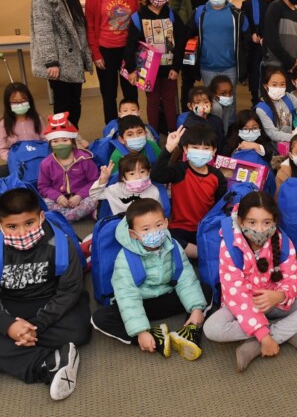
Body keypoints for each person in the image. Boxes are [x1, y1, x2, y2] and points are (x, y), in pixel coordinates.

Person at [0, 188, 91, 400]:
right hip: (12, 307)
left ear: (41, 217)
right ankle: (48, 364)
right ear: (0, 226)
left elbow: (70, 290)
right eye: (12, 226)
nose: (22, 232)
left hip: (54, 305)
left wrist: (38, 324)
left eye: (29, 223)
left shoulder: (61, 244)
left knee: (80, 331)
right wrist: (9, 326)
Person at [203, 191, 297, 371]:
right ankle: (281, 332)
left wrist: (279, 295)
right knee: (212, 328)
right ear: (240, 222)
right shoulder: (230, 246)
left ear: (275, 222)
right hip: (244, 305)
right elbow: (237, 295)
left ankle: (262, 341)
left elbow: (294, 276)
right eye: (252, 222)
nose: (260, 229)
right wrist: (263, 335)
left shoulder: (282, 241)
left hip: (275, 301)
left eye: (267, 222)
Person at [90, 198, 206, 359]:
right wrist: (140, 331)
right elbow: (127, 296)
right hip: (141, 302)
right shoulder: (125, 258)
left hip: (167, 294)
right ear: (133, 234)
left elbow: (185, 278)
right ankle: (154, 336)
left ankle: (190, 331)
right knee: (100, 318)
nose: (154, 232)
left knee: (205, 290)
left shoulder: (173, 246)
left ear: (166, 223)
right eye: (145, 229)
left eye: (158, 225)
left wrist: (196, 309)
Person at [30, 0, 92, 126]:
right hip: (59, 61)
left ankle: (73, 134)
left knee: (75, 102)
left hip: (74, 59)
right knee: (63, 104)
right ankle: (62, 139)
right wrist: (51, 61)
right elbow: (43, 31)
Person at [151, 125, 227, 259]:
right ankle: (199, 254)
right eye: (195, 148)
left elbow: (219, 206)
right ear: (186, 149)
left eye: (206, 148)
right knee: (167, 240)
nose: (200, 152)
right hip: (180, 229)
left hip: (204, 229)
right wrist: (168, 148)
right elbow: (157, 175)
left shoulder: (217, 176)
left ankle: (199, 254)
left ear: (214, 151)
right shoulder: (180, 170)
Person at [124, 0, 183, 134]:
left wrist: (176, 67)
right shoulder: (138, 17)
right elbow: (130, 45)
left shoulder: (172, 15)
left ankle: (172, 132)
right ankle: (153, 133)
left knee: (170, 101)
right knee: (152, 101)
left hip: (169, 69)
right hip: (148, 70)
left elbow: (180, 43)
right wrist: (131, 69)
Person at [85, 0, 140, 123]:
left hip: (127, 51)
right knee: (109, 95)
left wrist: (136, 52)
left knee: (131, 92)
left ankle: (132, 126)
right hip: (105, 50)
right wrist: (96, 53)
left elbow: (136, 24)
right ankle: (111, 128)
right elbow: (90, 25)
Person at [193, 0, 248, 111]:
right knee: (210, 102)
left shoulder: (237, 14)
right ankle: (214, 130)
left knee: (230, 101)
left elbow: (246, 38)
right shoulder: (199, 13)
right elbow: (190, 36)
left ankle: (229, 129)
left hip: (230, 67)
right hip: (207, 67)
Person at [38, 113, 100, 221]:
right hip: (59, 200)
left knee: (94, 199)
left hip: (82, 198)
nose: (60, 144)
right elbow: (43, 187)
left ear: (72, 142)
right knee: (43, 202)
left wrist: (80, 195)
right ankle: (77, 214)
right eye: (55, 141)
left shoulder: (84, 159)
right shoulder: (46, 163)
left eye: (65, 140)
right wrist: (57, 197)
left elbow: (95, 181)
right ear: (50, 144)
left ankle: (65, 217)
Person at [170, 0, 210, 110]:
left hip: (208, 32)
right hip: (188, 35)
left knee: (209, 73)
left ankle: (209, 111)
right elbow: (174, 7)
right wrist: (186, 23)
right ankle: (187, 113)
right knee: (188, 76)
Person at [243, 0, 282, 105]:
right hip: (256, 50)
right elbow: (245, 26)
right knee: (256, 82)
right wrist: (251, 35)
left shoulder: (282, 2)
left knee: (275, 81)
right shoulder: (248, 4)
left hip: (276, 49)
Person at [0, 82, 46, 178]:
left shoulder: (37, 119)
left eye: (23, 100)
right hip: (19, 162)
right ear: (8, 103)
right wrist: (13, 159)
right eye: (15, 102)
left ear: (29, 100)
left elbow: (45, 140)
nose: (20, 104)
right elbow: (1, 149)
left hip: (38, 158)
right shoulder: (3, 124)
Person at [89, 153, 162, 216]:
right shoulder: (117, 189)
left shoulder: (154, 191)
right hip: (120, 224)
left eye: (142, 172)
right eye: (132, 174)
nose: (138, 177)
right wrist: (103, 179)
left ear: (149, 172)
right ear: (123, 177)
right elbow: (95, 195)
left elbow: (157, 213)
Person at [255, 67, 297, 143]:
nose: (279, 88)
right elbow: (273, 134)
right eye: (274, 84)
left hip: (292, 142)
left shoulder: (288, 97)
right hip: (274, 147)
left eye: (282, 84)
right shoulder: (261, 109)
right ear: (265, 86)